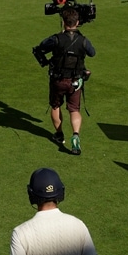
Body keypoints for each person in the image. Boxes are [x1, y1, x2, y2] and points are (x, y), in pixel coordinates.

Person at [32, 8, 95, 155]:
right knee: (74, 109)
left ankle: (59, 134)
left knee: (55, 106)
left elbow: (40, 48)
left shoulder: (56, 39)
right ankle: (76, 135)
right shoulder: (84, 41)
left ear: (63, 22)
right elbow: (92, 53)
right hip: (76, 81)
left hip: (58, 80)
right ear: (77, 23)